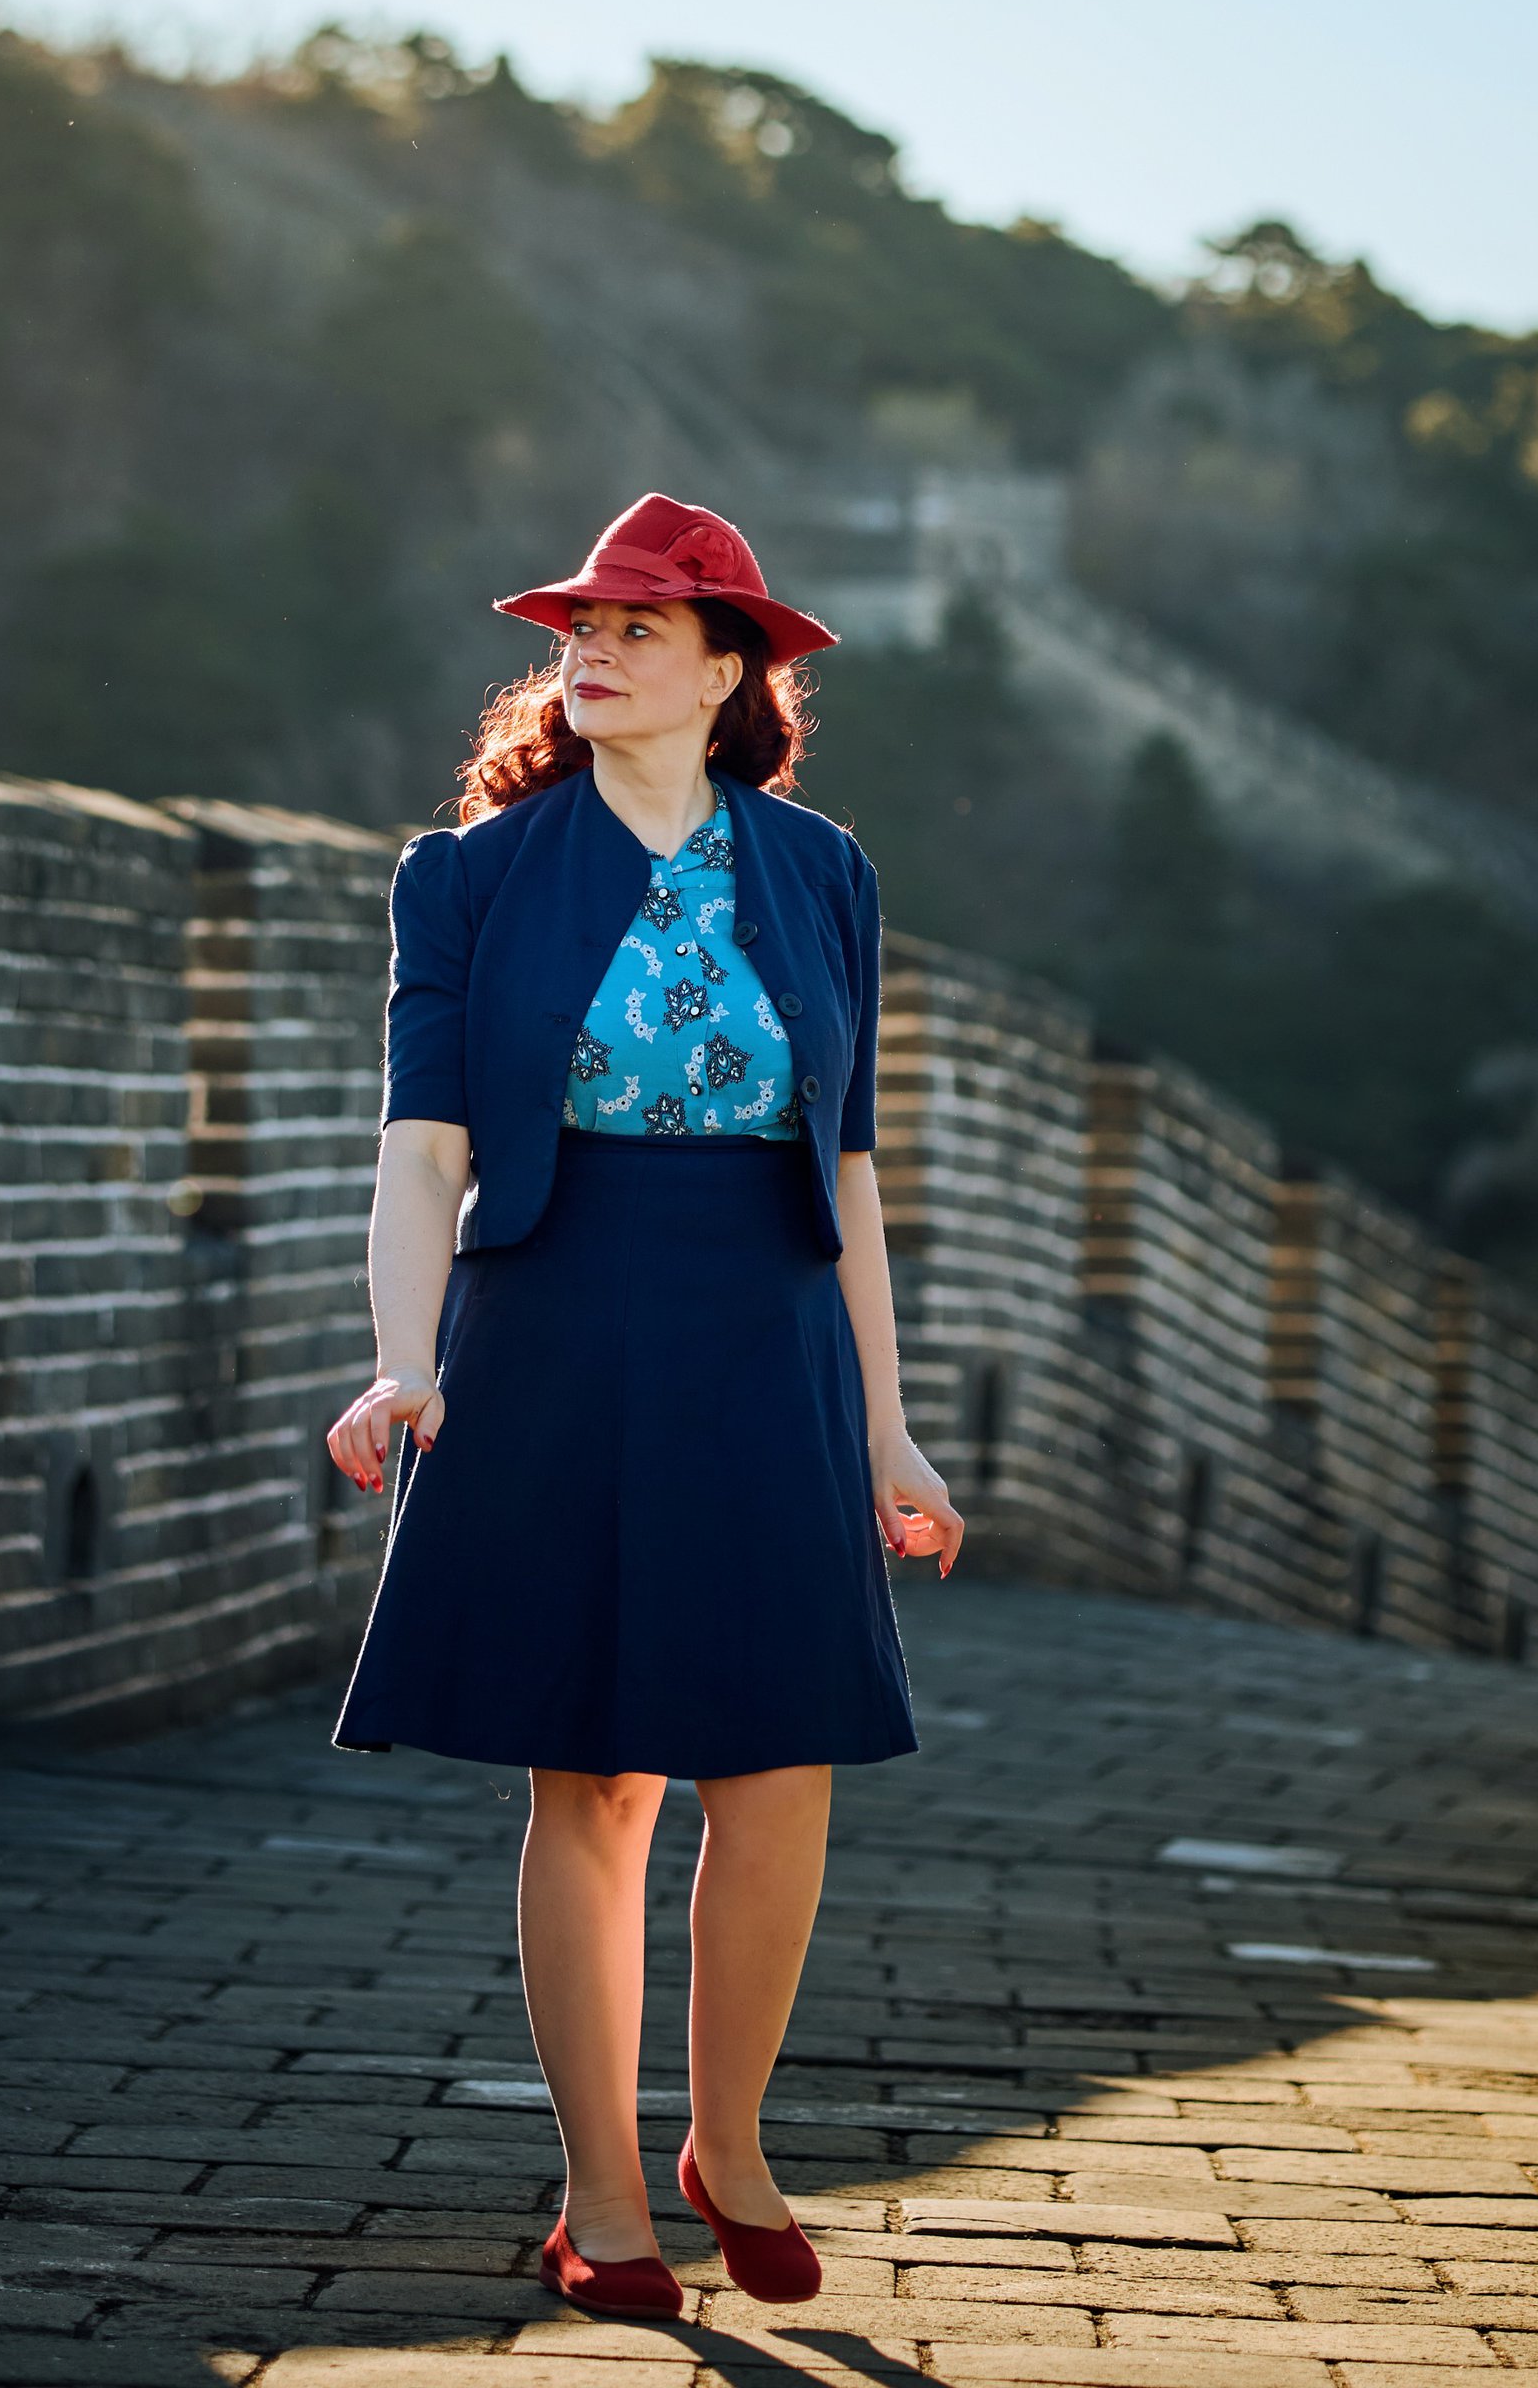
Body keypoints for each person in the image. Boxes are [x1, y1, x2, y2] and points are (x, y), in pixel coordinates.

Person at [324, 493, 964, 2320]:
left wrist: (888, 1426)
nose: (592, 654)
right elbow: (422, 1147)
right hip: (554, 1321)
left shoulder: (822, 873)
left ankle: (730, 2147)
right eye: (581, 631)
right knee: (594, 1773)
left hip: (771, 1331)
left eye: (639, 631)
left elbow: (847, 1170)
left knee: (779, 1761)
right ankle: (602, 2194)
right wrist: (405, 1355)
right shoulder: (468, 875)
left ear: (727, 673)